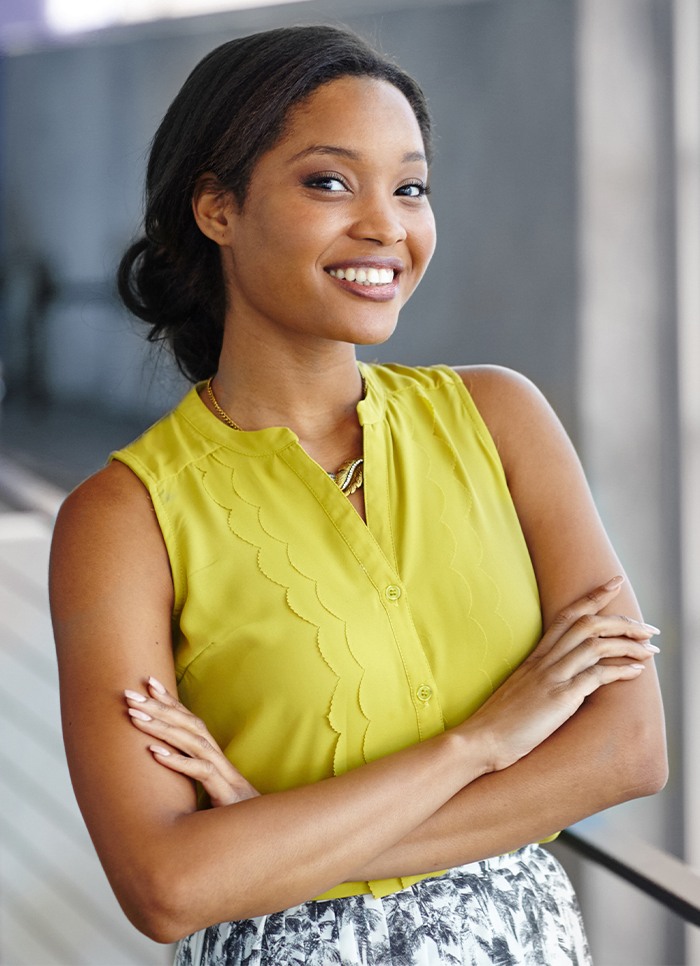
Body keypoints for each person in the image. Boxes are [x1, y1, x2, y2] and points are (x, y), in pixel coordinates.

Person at [49, 24, 667, 966]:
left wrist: (278, 844)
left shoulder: (502, 420)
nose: (387, 225)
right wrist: (485, 743)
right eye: (330, 182)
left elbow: (628, 750)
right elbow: (168, 886)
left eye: (410, 186)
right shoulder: (124, 518)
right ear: (217, 207)